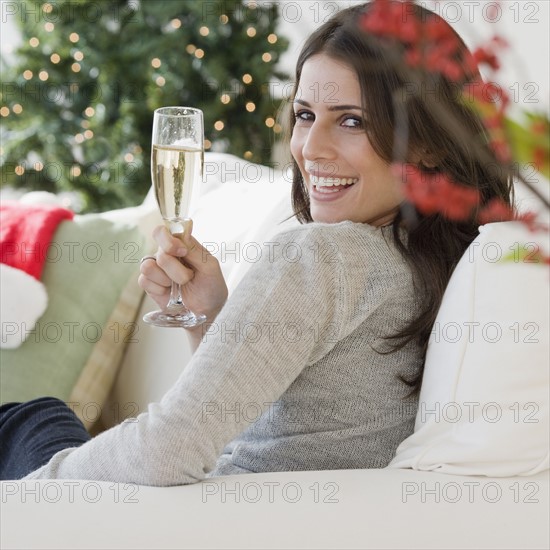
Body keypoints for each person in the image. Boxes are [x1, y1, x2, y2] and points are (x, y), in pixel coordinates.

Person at [0, 1, 512, 485]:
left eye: (351, 121)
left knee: (28, 418)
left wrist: (35, 494)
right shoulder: (433, 257)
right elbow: (297, 426)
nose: (310, 149)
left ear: (426, 140)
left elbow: (169, 450)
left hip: (193, 514)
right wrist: (212, 318)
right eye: (305, 115)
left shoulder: (320, 255)